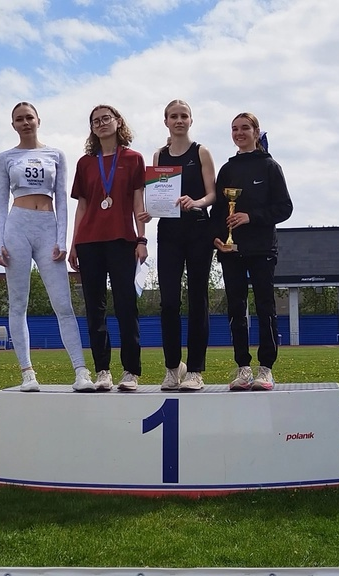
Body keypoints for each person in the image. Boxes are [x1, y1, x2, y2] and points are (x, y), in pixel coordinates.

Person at [0, 102, 94, 393]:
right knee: (18, 303)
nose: (25, 123)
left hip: (47, 226)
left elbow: (62, 199)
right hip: (17, 227)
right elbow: (0, 201)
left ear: (38, 120)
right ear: (13, 125)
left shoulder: (55, 155)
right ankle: (27, 372)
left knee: (63, 303)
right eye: (19, 119)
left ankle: (81, 371)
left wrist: (61, 239)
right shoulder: (6, 157)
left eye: (29, 118)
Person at [68, 104, 149, 392]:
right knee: (95, 309)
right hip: (89, 242)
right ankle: (102, 370)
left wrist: (142, 239)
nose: (101, 123)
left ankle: (131, 371)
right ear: (92, 128)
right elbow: (82, 206)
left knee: (126, 306)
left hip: (122, 240)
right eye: (95, 121)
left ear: (118, 122)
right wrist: (74, 243)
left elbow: (139, 202)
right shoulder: (85, 163)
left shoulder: (134, 159)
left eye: (106, 118)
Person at [211, 112, 293, 391]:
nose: (239, 133)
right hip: (231, 250)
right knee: (236, 309)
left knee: (265, 307)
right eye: (234, 129)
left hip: (262, 249)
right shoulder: (227, 169)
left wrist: (251, 217)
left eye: (245, 128)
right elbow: (218, 211)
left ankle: (266, 368)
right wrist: (216, 238)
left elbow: (284, 208)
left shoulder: (270, 167)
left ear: (256, 132)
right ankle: (243, 368)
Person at [152, 99, 218, 391]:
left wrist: (197, 202)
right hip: (169, 232)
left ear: (191, 120)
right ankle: (172, 367)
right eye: (173, 116)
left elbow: (212, 194)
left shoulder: (201, 152)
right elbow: (157, 196)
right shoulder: (159, 155)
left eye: (184, 116)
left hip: (198, 229)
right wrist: (149, 210)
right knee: (168, 302)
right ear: (166, 121)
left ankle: (195, 370)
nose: (179, 120)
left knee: (197, 300)